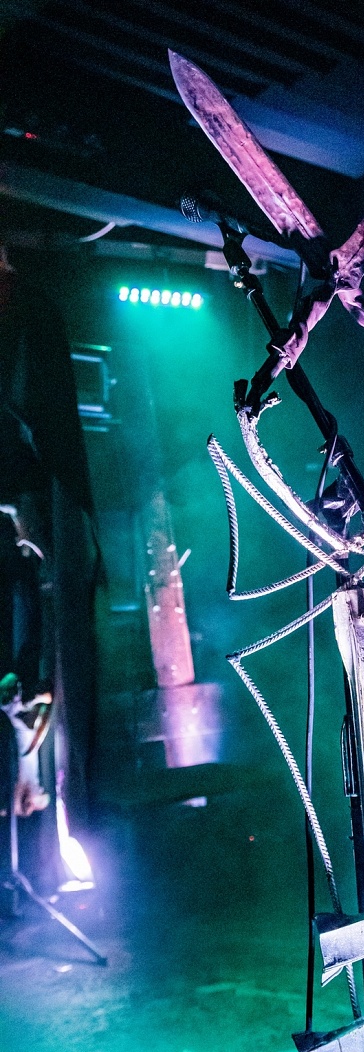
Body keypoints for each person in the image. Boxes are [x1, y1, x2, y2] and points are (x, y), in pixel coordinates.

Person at [0, 239, 96, 884]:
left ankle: (34, 782)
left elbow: (33, 423)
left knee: (29, 628)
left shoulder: (26, 314)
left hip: (29, 502)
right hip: (24, 503)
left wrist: (25, 509)